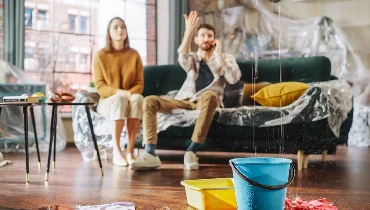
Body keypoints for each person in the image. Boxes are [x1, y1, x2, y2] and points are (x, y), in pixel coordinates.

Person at [130, 11, 241, 171]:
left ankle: (192, 150)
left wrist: (219, 55)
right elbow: (182, 55)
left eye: (209, 35)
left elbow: (233, 78)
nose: (206, 38)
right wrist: (188, 32)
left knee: (210, 95)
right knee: (150, 100)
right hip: (185, 99)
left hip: (205, 101)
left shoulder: (225, 58)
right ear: (196, 40)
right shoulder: (193, 59)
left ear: (215, 40)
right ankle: (150, 153)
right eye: (202, 35)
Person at [94, 17, 144, 167]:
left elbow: (139, 84)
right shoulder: (100, 56)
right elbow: (100, 86)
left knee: (138, 98)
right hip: (107, 101)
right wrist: (120, 92)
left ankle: (129, 150)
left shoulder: (134, 55)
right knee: (119, 99)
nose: (120, 30)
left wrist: (128, 94)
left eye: (123, 27)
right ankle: (117, 151)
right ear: (109, 33)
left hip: (129, 98)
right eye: (115, 27)